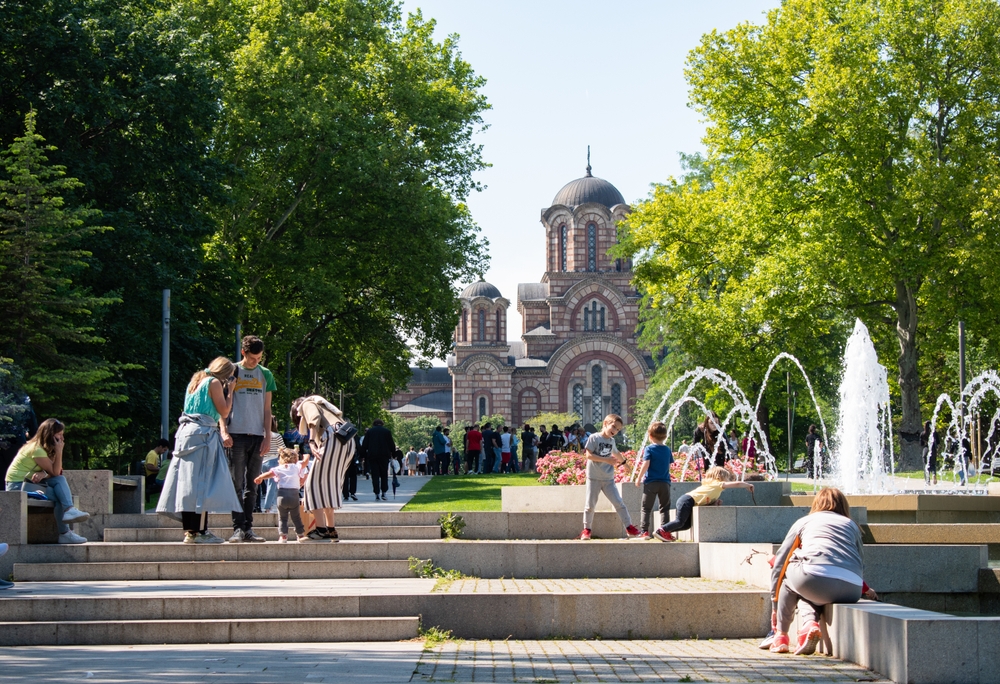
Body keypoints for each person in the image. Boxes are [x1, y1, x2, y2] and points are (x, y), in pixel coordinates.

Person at [767, 487, 877, 655]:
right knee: (808, 592)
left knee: (791, 573)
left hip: (814, 580)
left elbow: (780, 563)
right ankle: (809, 624)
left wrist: (775, 604)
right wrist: (865, 588)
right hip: (851, 590)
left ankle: (781, 636)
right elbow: (858, 563)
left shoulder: (804, 522)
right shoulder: (852, 525)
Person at [157, 357, 241, 543]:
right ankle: (200, 532)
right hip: (203, 435)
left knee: (189, 484)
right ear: (226, 373)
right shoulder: (214, 383)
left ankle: (190, 532)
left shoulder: (195, 381)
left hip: (185, 434)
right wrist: (231, 391)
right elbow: (224, 411)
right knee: (202, 483)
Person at [222, 335, 277, 543]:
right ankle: (237, 528)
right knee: (237, 482)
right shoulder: (232, 372)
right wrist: (224, 431)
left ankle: (248, 528)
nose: (257, 362)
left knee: (253, 484)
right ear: (243, 353)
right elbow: (222, 407)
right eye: (253, 358)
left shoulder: (265, 374)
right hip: (236, 434)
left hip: (257, 435)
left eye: (260, 358)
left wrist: (267, 436)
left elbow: (267, 409)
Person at [5, 418, 90, 544]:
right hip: (17, 485)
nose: (62, 438)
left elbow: (57, 473)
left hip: (30, 483)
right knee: (59, 494)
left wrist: (43, 473)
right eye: (59, 435)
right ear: (50, 435)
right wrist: (59, 451)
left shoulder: (43, 448)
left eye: (62, 434)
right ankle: (65, 531)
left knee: (59, 481)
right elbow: (55, 472)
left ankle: (69, 512)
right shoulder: (37, 449)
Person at [292, 395, 357, 541]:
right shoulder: (326, 407)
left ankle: (321, 529)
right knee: (330, 485)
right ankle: (331, 529)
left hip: (333, 438)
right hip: (347, 440)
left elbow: (313, 418)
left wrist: (311, 441)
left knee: (312, 485)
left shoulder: (307, 403)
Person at [580, 414, 641, 541]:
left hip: (608, 479)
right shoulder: (594, 437)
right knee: (590, 505)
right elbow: (588, 455)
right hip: (594, 478)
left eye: (618, 430)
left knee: (619, 503)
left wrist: (625, 464)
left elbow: (616, 453)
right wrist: (606, 460)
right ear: (605, 424)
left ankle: (629, 527)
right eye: (613, 427)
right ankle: (587, 530)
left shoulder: (611, 441)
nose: (615, 431)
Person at [654, 466, 754, 542]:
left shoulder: (715, 489)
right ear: (720, 477)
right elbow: (736, 484)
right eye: (727, 478)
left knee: (686, 525)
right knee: (680, 521)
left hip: (688, 501)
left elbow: (704, 501)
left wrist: (714, 503)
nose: (728, 481)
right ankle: (661, 530)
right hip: (687, 500)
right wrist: (747, 485)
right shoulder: (716, 483)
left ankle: (666, 532)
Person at [254, 447, 312, 543]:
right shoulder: (296, 466)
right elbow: (305, 462)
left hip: (282, 495)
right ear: (295, 459)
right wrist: (307, 455)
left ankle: (283, 536)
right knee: (296, 517)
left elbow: (269, 474)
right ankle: (300, 535)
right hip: (294, 495)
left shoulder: (279, 468)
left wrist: (260, 477)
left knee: (282, 517)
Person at [633, 421, 673, 540]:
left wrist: (639, 477)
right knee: (664, 508)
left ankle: (645, 531)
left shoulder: (649, 449)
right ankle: (665, 531)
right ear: (665, 436)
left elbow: (646, 464)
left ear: (650, 436)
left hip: (651, 482)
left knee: (646, 508)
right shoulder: (667, 450)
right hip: (665, 483)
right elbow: (668, 465)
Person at [360, 418, 395, 500]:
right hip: (384, 456)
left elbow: (364, 445)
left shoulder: (370, 432)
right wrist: (393, 454)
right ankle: (384, 492)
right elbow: (391, 444)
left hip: (373, 456)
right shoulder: (387, 431)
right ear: (382, 424)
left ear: (374, 424)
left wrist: (363, 455)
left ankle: (377, 493)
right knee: (384, 474)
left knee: (375, 475)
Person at [259, 417, 287, 513]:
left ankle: (267, 505)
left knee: (267, 485)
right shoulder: (276, 436)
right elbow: (283, 449)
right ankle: (267, 507)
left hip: (262, 461)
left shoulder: (260, 436)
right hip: (273, 460)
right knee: (272, 486)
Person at [144, 438, 170, 503]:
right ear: (160, 446)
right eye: (164, 450)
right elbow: (149, 466)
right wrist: (160, 469)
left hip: (154, 476)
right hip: (151, 477)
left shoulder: (156, 455)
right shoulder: (152, 454)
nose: (164, 452)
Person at [920, 421, 939, 486]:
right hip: (933, 450)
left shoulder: (923, 434)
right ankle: (934, 474)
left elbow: (921, 444)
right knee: (933, 465)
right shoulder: (934, 433)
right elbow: (938, 443)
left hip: (926, 450)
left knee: (926, 465)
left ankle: (927, 481)